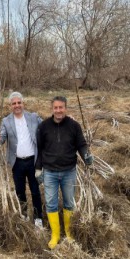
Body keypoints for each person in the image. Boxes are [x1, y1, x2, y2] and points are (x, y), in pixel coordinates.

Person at [36, 96, 93, 249]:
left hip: (69, 171)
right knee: (51, 203)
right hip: (50, 173)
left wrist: (86, 154)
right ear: (52, 109)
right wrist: (38, 168)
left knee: (69, 203)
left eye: (61, 107)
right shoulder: (43, 126)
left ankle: (68, 233)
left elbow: (81, 144)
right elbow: (39, 149)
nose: (58, 110)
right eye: (56, 108)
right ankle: (55, 235)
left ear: (66, 108)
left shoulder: (74, 126)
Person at [0, 92, 43, 228]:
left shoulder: (33, 117)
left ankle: (38, 219)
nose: (17, 106)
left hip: (33, 161)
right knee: (20, 191)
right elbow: (2, 138)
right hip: (17, 162)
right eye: (14, 103)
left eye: (19, 103)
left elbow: (46, 127)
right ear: (10, 106)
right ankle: (24, 216)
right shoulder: (6, 121)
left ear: (23, 104)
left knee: (35, 190)